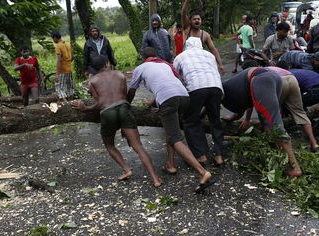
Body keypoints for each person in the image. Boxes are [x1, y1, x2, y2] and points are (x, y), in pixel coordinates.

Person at [127, 47, 213, 193]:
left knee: (175, 138)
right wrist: (154, 102)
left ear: (143, 58)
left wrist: (126, 104)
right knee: (171, 132)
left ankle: (203, 172)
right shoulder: (165, 64)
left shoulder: (141, 67)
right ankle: (171, 165)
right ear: (155, 56)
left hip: (168, 100)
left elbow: (132, 90)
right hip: (184, 97)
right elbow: (169, 85)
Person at [71, 56, 161, 187]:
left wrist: (85, 108)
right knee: (138, 147)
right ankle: (155, 179)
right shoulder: (120, 74)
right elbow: (125, 97)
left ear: (94, 69)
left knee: (109, 145)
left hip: (108, 113)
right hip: (124, 108)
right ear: (107, 64)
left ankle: (126, 169)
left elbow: (99, 104)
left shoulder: (92, 81)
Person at [221, 67, 302, 177]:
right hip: (273, 77)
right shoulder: (233, 91)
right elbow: (244, 106)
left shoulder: (221, 90)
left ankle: (294, 167)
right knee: (267, 123)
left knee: (274, 123)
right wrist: (233, 118)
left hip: (261, 79)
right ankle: (280, 155)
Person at [241, 61, 319, 152]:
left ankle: (280, 147)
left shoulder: (253, 75)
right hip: (291, 78)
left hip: (277, 81)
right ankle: (314, 143)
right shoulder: (268, 67)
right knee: (299, 112)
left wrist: (247, 119)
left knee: (270, 114)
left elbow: (251, 100)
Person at [173, 38, 224, 166]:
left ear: (186, 46)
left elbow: (177, 78)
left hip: (196, 88)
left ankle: (201, 156)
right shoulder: (210, 55)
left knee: (190, 120)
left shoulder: (180, 57)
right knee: (215, 121)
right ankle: (219, 156)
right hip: (216, 87)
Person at [182, 0, 224, 74]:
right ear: (190, 21)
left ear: (201, 21)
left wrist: (220, 64)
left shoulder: (205, 35)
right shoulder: (187, 29)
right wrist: (187, 1)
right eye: (194, 19)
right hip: (187, 63)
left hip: (200, 63)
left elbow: (213, 50)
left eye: (198, 19)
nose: (196, 20)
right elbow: (183, 13)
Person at [51, 30, 75, 103]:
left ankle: (66, 104)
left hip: (62, 70)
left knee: (59, 88)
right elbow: (72, 56)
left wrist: (57, 74)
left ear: (55, 37)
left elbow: (59, 60)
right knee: (69, 87)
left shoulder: (58, 46)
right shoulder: (67, 44)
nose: (53, 40)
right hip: (69, 69)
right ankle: (72, 103)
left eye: (53, 38)